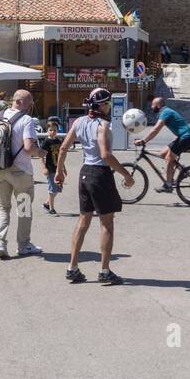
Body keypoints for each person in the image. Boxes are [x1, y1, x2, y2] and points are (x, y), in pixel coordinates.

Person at [56, 88, 134, 285]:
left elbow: (64, 146)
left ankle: (72, 267)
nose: (108, 107)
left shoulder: (80, 122)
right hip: (100, 174)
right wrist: (126, 174)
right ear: (101, 105)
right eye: (107, 103)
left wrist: (59, 170)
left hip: (84, 173)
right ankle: (104, 271)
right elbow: (106, 155)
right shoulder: (103, 126)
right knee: (106, 224)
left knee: (83, 221)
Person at [0, 89, 43, 260]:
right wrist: (41, 152)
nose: (31, 105)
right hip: (20, 172)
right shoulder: (26, 120)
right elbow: (29, 148)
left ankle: (0, 243)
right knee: (24, 209)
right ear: (20, 102)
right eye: (29, 102)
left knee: (3, 207)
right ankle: (23, 245)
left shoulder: (0, 116)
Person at [141, 96, 190, 193]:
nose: (151, 107)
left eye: (152, 105)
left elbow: (155, 130)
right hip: (183, 137)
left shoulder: (165, 112)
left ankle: (168, 185)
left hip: (186, 137)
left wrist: (144, 141)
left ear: (158, 105)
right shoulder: (165, 112)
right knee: (163, 153)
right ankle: (182, 170)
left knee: (169, 159)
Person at [39, 117, 64, 215]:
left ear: (58, 130)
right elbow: (41, 157)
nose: (53, 132)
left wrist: (63, 168)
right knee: (52, 190)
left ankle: (46, 204)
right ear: (47, 130)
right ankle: (51, 208)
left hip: (58, 169)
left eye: (55, 130)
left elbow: (61, 156)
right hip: (50, 169)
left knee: (57, 189)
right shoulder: (46, 142)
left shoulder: (58, 141)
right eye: (50, 130)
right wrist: (44, 168)